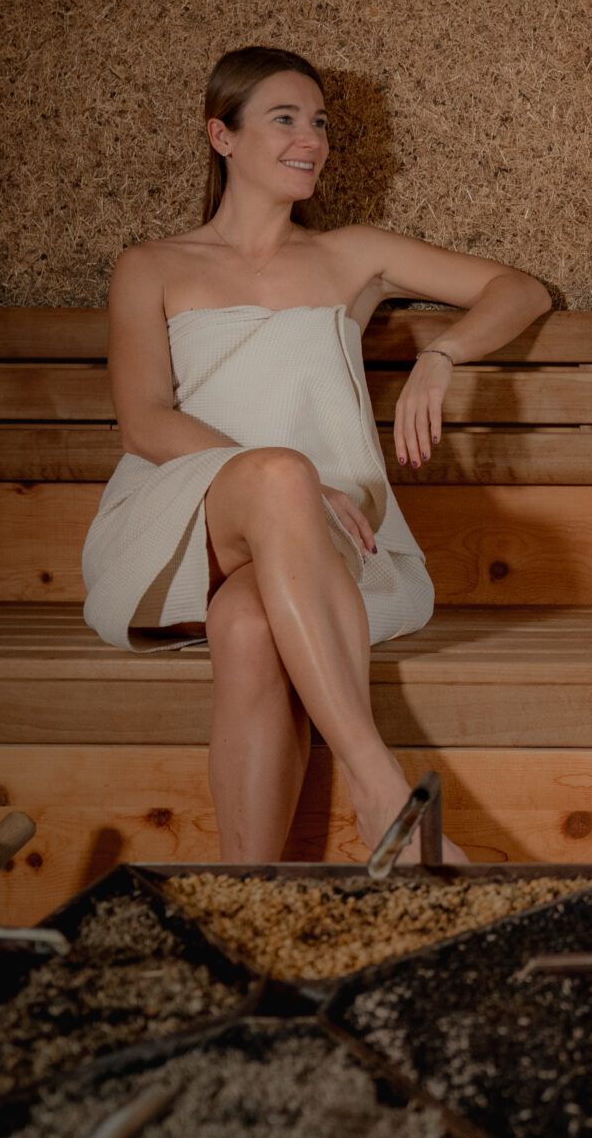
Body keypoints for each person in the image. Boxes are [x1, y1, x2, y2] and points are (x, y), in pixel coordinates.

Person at [82, 47, 552, 863]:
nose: (312, 139)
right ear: (220, 136)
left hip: (320, 544)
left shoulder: (349, 254)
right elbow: (146, 422)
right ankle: (383, 793)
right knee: (282, 475)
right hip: (180, 523)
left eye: (321, 121)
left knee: (249, 624)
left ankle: (248, 903)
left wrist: (440, 356)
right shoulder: (153, 265)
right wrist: (281, 485)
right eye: (285, 119)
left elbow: (520, 288)